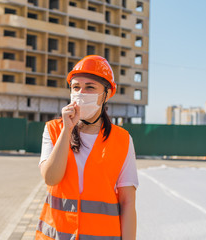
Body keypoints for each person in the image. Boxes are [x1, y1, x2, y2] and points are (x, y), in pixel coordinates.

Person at [36, 55, 139, 240]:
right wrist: (67, 130)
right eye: (76, 87)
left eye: (90, 87)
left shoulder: (122, 139)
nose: (81, 92)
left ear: (106, 94)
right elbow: (51, 178)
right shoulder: (53, 129)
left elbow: (128, 202)